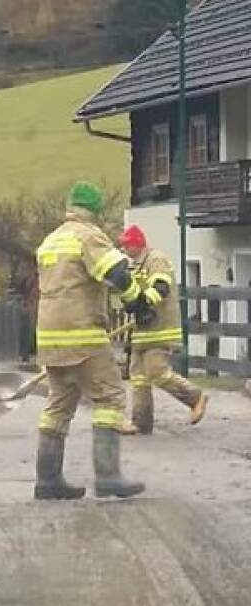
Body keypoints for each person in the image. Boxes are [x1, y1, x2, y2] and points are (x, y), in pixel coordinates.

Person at [33, 181, 149, 501]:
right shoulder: (88, 236)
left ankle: (48, 479)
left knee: (58, 404)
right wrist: (137, 302)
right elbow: (117, 273)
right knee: (109, 397)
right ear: (94, 211)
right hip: (82, 332)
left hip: (49, 336)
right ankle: (108, 475)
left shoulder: (50, 240)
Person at [118, 224, 208, 432]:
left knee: (156, 371)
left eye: (126, 245)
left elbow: (162, 286)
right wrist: (131, 302)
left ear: (136, 244)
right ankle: (141, 423)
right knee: (139, 378)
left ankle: (195, 397)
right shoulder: (134, 265)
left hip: (161, 328)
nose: (124, 250)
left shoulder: (156, 260)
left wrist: (143, 302)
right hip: (142, 331)